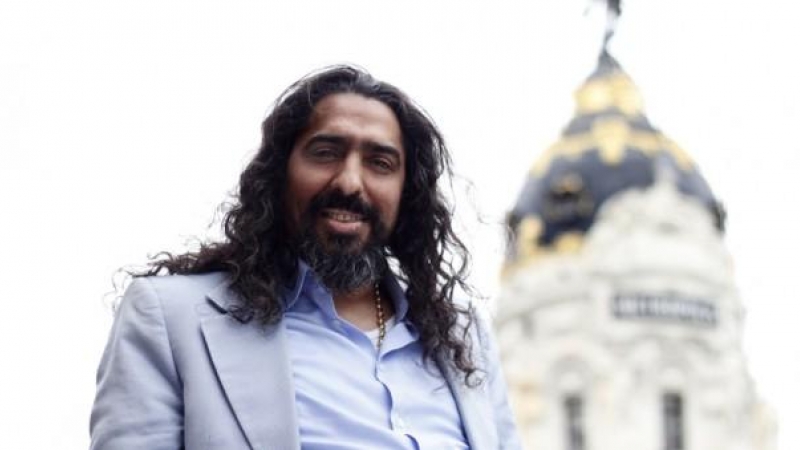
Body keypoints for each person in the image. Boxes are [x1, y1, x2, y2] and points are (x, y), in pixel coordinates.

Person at [89, 65, 521, 450]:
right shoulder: (169, 317)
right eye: (326, 152)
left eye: (380, 163)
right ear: (279, 173)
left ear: (407, 193)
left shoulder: (463, 338)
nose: (350, 182)